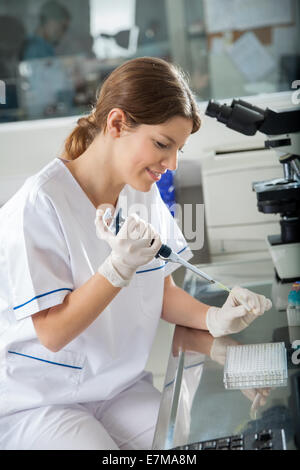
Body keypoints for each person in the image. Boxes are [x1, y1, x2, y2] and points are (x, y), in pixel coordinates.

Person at [0, 57, 272, 450]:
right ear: (116, 124)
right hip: (41, 399)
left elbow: (160, 292)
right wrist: (116, 269)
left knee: (176, 445)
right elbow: (53, 333)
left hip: (117, 388)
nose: (172, 163)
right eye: (163, 144)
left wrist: (215, 317)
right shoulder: (40, 203)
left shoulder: (140, 194)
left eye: (178, 149)